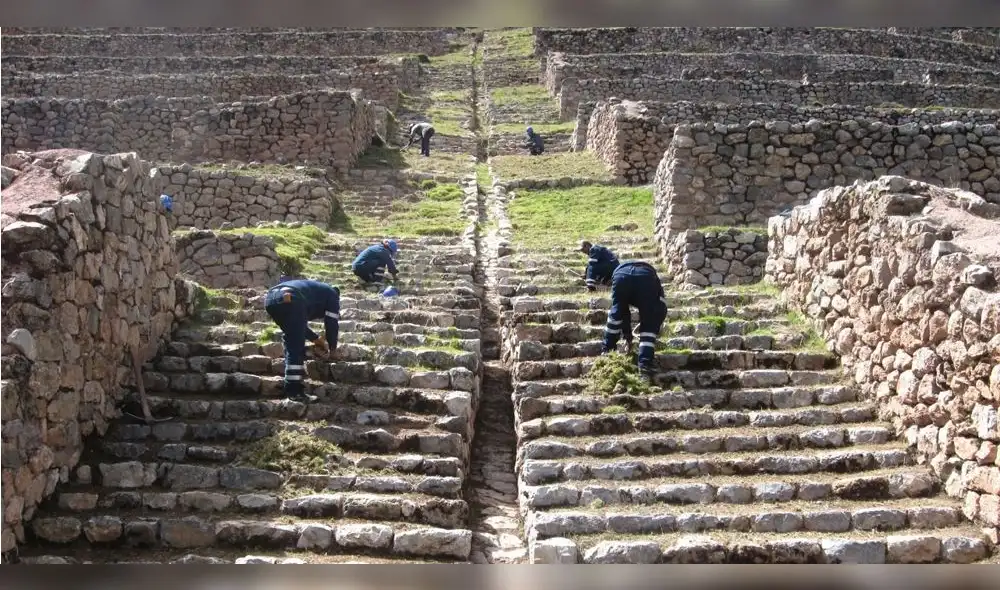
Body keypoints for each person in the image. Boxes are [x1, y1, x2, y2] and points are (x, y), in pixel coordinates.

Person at [263, 278, 341, 403]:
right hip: (293, 298)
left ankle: (289, 382)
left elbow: (299, 325)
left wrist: (316, 339)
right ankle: (294, 392)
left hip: (271, 299)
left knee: (292, 338)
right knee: (296, 345)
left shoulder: (314, 289)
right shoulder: (333, 295)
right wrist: (333, 349)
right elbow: (331, 323)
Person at [601, 261, 668, 382]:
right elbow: (660, 308)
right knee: (649, 323)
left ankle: (607, 352)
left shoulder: (621, 275)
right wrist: (653, 324)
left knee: (616, 312)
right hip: (646, 277)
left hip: (621, 275)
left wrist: (628, 337)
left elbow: (624, 313)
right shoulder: (656, 285)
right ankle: (645, 366)